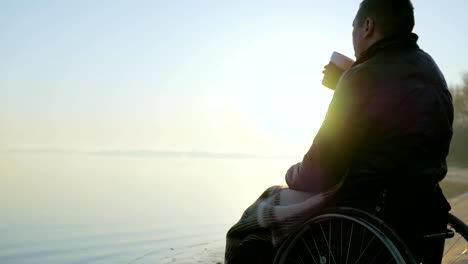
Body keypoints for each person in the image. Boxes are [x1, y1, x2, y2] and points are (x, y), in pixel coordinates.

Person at [286, 0, 453, 263]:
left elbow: (320, 169)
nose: (352, 36)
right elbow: (400, 114)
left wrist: (292, 174)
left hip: (371, 210)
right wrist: (346, 82)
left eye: (353, 27)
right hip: (425, 207)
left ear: (367, 26)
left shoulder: (362, 77)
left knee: (255, 222)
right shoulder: (432, 70)